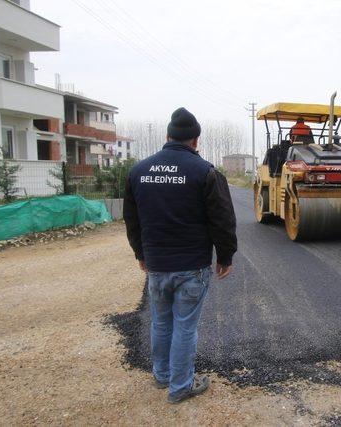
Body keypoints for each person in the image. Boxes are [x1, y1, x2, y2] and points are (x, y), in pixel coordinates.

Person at [123, 107, 237, 404]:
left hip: (157, 265)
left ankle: (162, 377)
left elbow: (131, 219)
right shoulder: (206, 172)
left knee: (161, 323)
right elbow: (222, 220)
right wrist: (225, 256)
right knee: (185, 325)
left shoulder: (139, 172)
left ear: (167, 137)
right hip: (191, 266)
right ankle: (181, 386)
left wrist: (140, 253)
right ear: (196, 141)